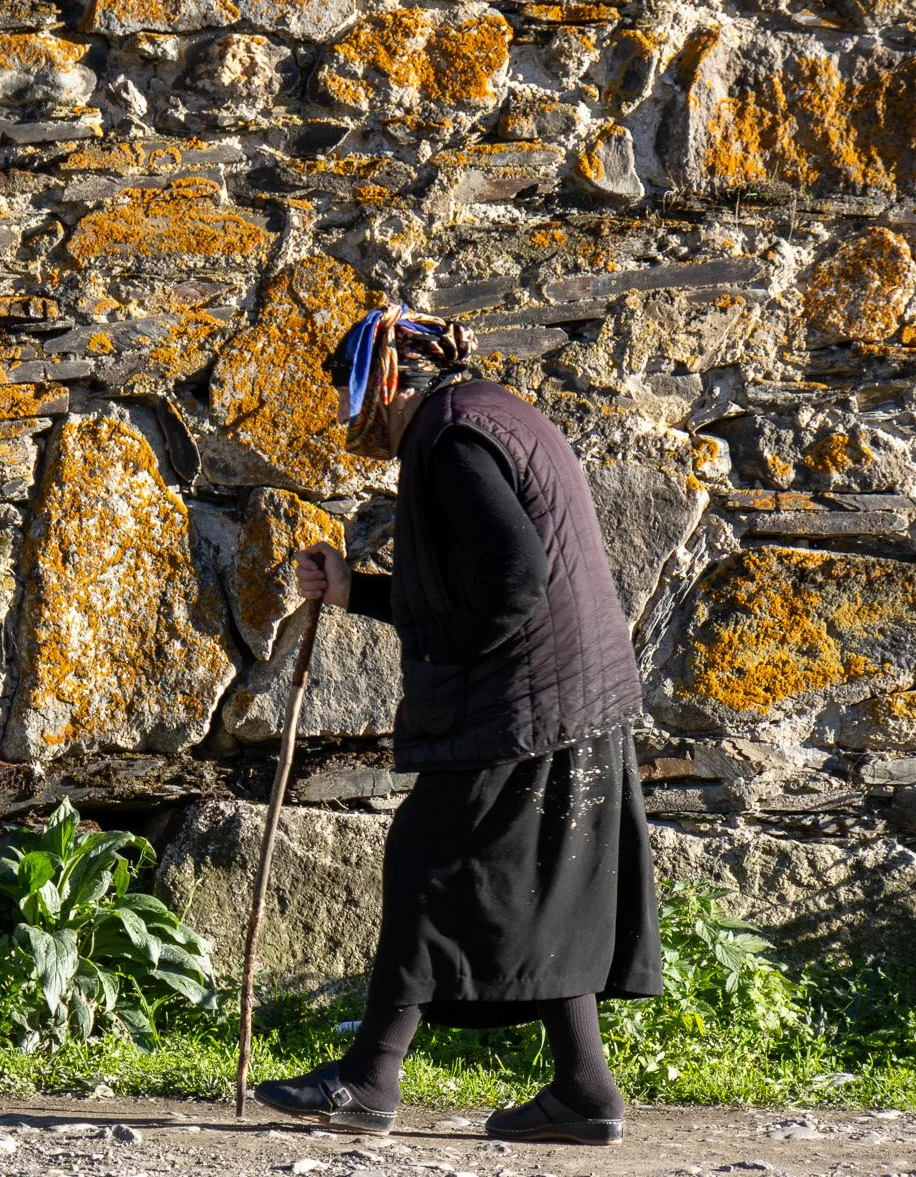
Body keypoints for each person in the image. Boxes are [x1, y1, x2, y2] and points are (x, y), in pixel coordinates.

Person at [253, 304, 662, 1146]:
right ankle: (585, 1092)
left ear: (389, 378)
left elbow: (512, 579)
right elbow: (473, 577)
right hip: (571, 691)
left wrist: (444, 654)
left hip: (527, 698)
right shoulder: (484, 414)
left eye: (348, 386)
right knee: (536, 882)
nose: (343, 409)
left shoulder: (451, 441)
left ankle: (368, 1080)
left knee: (427, 860)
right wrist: (353, 589)